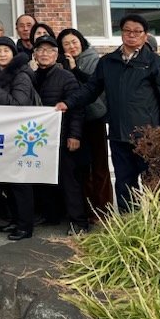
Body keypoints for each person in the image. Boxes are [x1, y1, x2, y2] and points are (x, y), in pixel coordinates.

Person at [60, 13, 160, 213]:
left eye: (137, 32)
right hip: (119, 135)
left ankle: (157, 222)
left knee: (153, 183)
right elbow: (91, 89)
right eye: (127, 31)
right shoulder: (108, 62)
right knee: (124, 182)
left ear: (145, 35)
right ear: (121, 33)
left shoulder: (154, 62)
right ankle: (129, 222)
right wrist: (68, 103)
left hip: (148, 135)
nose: (132, 35)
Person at [30, 35, 87, 235]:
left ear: (56, 55)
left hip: (62, 137)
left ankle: (79, 222)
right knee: (43, 178)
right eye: (40, 50)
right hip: (39, 138)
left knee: (69, 180)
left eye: (49, 50)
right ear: (35, 54)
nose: (44, 54)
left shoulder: (66, 77)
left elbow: (77, 108)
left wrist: (74, 135)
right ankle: (50, 215)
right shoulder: (31, 76)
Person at [0, 37, 36, 240]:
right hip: (5, 134)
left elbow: (19, 105)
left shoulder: (21, 75)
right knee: (9, 182)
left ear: (13, 54)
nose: (2, 54)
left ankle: (25, 226)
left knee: (20, 182)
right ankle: (16, 220)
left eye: (6, 51)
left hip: (20, 135)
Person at [58, 27, 112, 221]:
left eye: (74, 42)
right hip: (75, 121)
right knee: (82, 168)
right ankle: (88, 210)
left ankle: (103, 210)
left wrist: (75, 70)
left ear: (81, 41)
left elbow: (93, 85)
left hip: (94, 117)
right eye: (66, 44)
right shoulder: (61, 62)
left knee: (99, 166)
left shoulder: (94, 59)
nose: (72, 46)